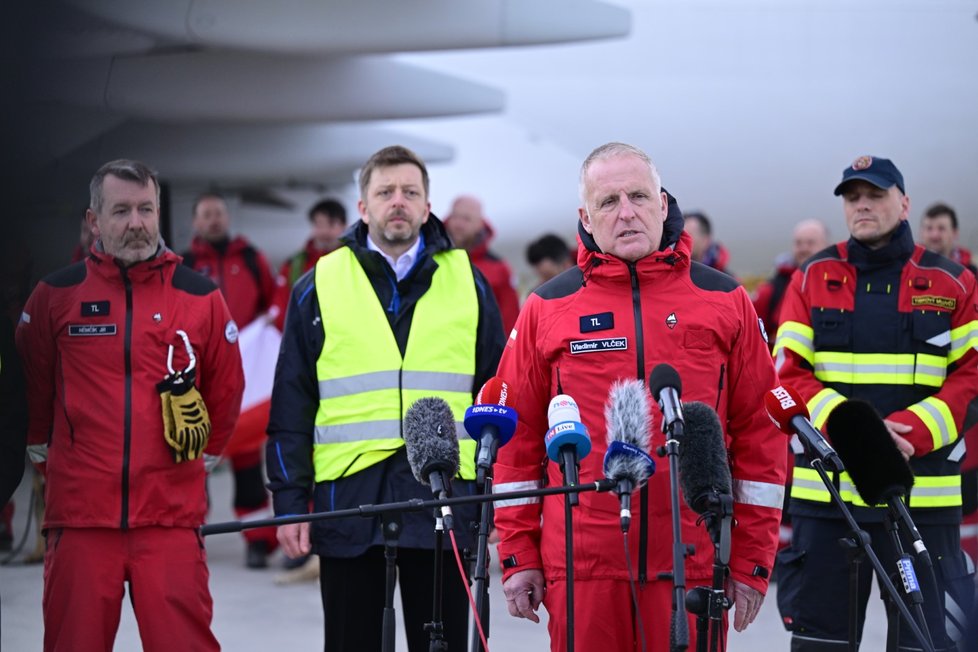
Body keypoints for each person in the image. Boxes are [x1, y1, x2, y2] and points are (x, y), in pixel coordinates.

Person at [494, 142, 786, 651]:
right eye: (608, 202)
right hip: (583, 568)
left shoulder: (724, 300)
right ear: (585, 216)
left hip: (694, 563)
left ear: (664, 203)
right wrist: (519, 552)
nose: (626, 212)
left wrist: (752, 559)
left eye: (639, 196)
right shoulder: (547, 307)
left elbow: (762, 435)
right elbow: (515, 439)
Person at [265, 145, 505, 651]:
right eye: (385, 192)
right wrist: (289, 502)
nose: (398, 202)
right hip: (349, 504)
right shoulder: (319, 284)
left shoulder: (469, 283)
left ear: (426, 205)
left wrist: (496, 505)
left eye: (410, 192)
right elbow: (292, 402)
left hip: (443, 504)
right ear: (363, 206)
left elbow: (497, 400)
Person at [15, 159, 244, 651]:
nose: (136, 223)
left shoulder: (200, 296)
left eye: (146, 209)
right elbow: (30, 383)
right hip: (79, 519)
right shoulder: (55, 296)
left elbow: (227, 386)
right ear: (93, 220)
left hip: (169, 518)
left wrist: (207, 454)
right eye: (121, 210)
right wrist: (39, 446)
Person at [773, 155, 978, 651]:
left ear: (903, 203)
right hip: (829, 503)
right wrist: (855, 433)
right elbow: (786, 374)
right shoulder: (811, 278)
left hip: (922, 501)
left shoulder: (956, 284)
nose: (862, 205)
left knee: (925, 644)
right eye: (852, 198)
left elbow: (971, 377)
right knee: (820, 645)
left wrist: (908, 432)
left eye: (875, 195)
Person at [181, 192, 280, 568]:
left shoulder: (252, 259)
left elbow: (273, 305)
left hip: (243, 379)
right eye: (206, 214)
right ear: (195, 222)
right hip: (197, 377)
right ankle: (189, 537)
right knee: (191, 457)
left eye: (219, 214)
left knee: (246, 460)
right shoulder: (185, 264)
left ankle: (257, 541)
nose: (214, 220)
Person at [444, 194, 521, 334]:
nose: (458, 224)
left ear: (480, 224)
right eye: (455, 216)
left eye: (466, 219)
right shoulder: (430, 258)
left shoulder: (499, 269)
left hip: (480, 351)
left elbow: (511, 320)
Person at [271, 198, 347, 332]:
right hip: (306, 344)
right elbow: (281, 308)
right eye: (319, 225)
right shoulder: (295, 265)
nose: (324, 232)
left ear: (345, 226)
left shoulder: (356, 262)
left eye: (331, 224)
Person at [752, 219, 830, 344]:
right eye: (798, 243)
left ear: (826, 245)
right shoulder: (772, 289)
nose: (803, 248)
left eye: (810, 243)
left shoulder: (843, 283)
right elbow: (753, 336)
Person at [919, 202, 977, 275]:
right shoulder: (907, 267)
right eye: (929, 228)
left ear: (954, 233)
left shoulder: (971, 274)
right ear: (921, 232)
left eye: (941, 228)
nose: (934, 235)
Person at [683, 210, 733, 276]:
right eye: (681, 235)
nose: (683, 240)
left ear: (706, 240)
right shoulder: (673, 275)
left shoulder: (729, 282)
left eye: (688, 235)